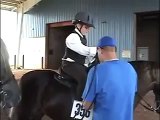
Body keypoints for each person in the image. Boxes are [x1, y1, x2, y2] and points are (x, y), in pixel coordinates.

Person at [82, 36, 137, 120]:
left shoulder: (96, 71)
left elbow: (86, 106)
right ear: (114, 50)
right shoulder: (131, 68)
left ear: (100, 50)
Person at [61, 12, 97, 100]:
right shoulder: (72, 37)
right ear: (78, 25)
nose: (88, 30)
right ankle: (79, 104)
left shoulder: (83, 37)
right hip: (70, 65)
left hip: (79, 64)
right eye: (86, 27)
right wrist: (96, 50)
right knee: (83, 78)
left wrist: (92, 60)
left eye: (89, 28)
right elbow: (81, 50)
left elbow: (86, 53)